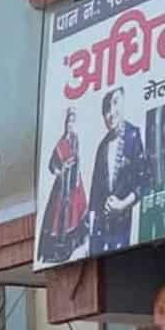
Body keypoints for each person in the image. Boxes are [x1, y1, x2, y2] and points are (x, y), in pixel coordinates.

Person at [89, 88, 151, 254]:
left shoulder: (133, 136)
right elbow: (95, 191)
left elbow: (144, 181)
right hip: (100, 229)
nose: (111, 113)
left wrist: (123, 204)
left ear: (123, 103)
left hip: (122, 226)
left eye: (115, 103)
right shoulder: (102, 146)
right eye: (106, 109)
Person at [40, 106, 91, 263]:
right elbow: (51, 165)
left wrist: (75, 175)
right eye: (69, 121)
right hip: (62, 183)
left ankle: (74, 241)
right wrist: (61, 169)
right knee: (59, 213)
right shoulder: (60, 143)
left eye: (73, 121)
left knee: (76, 208)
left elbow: (77, 157)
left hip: (74, 180)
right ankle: (58, 246)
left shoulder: (75, 139)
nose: (70, 124)